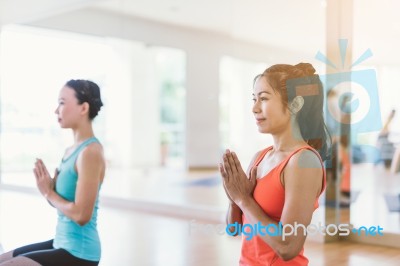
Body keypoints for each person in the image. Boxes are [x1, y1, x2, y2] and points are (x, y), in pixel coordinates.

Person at [220, 63, 330, 265]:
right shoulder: (260, 157)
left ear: (295, 105)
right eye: (254, 99)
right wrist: (232, 198)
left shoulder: (303, 161)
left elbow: (288, 247)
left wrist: (244, 199)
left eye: (263, 98)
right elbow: (233, 229)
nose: (254, 108)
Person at [0, 79, 105, 266]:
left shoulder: (91, 152)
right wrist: (49, 190)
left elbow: (82, 215)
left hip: (79, 254)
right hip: (61, 243)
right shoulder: (71, 151)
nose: (56, 110)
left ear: (83, 108)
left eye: (62, 103)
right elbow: (62, 205)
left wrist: (49, 193)